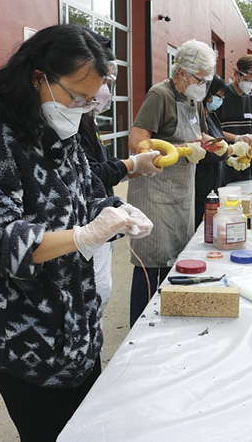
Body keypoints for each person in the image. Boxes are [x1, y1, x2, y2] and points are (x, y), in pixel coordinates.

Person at [0, 24, 153, 442]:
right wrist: (82, 237)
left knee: (89, 426)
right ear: (38, 77)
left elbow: (87, 194)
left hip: (77, 324)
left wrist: (116, 212)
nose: (82, 107)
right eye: (76, 96)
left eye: (90, 101)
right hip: (22, 334)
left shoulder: (61, 138)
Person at [126, 39, 215, 326]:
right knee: (150, 263)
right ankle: (139, 330)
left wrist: (212, 145)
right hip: (155, 191)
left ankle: (166, 322)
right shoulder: (159, 95)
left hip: (181, 191)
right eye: (200, 79)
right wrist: (176, 151)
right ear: (181, 72)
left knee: (176, 259)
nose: (203, 85)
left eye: (206, 80)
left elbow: (199, 136)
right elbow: (137, 140)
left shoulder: (192, 98)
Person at [77, 29, 161, 320]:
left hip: (98, 230)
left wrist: (132, 168)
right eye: (104, 79)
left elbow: (102, 166)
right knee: (87, 306)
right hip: (79, 236)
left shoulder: (85, 117)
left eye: (109, 81)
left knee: (96, 307)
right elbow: (87, 173)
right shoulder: (67, 120)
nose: (105, 89)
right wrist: (132, 164)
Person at [194, 74, 248, 228]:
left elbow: (219, 142)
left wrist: (229, 159)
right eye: (218, 96)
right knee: (198, 227)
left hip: (215, 182)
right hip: (200, 183)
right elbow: (204, 150)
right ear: (207, 93)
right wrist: (231, 150)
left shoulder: (211, 116)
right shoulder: (197, 118)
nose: (220, 100)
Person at [217, 54, 252, 183]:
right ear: (236, 73)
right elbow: (212, 130)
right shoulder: (220, 95)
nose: (250, 84)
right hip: (224, 161)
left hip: (245, 164)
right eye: (247, 80)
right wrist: (236, 138)